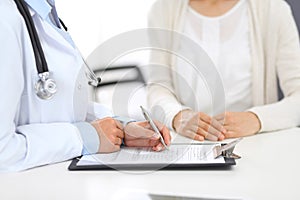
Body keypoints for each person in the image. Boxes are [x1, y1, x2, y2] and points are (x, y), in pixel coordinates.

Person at [0, 0, 170, 172]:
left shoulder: (45, 10)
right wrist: (84, 137)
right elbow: (2, 152)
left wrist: (120, 127)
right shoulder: (5, 16)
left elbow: (60, 106)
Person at [147, 0, 300, 141]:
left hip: (254, 143)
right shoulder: (164, 9)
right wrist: (177, 116)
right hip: (187, 145)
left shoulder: (273, 9)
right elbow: (158, 87)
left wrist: (257, 119)